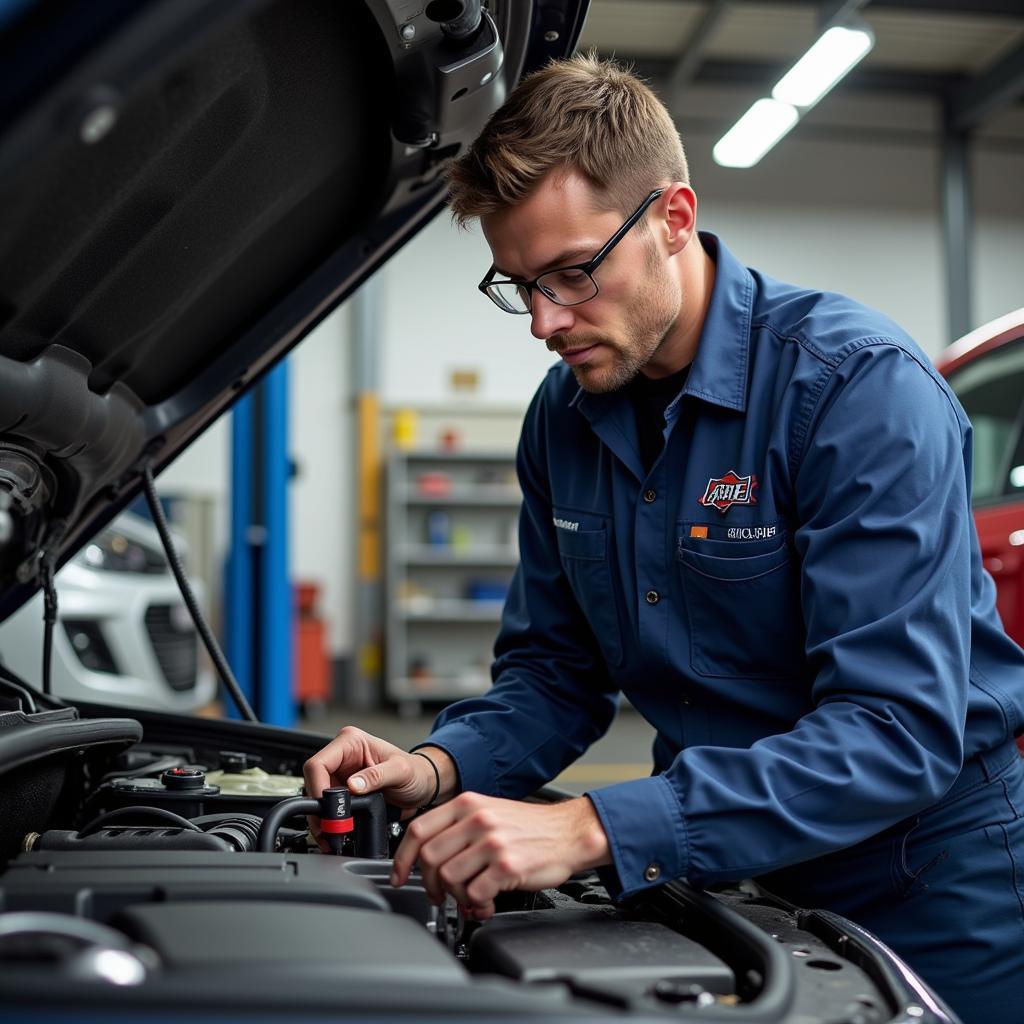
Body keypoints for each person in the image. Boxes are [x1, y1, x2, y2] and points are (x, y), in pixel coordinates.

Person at [305, 54, 1024, 1021]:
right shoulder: (562, 421)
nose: (545, 323)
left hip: (923, 884)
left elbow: (896, 731)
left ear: (673, 220)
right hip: (719, 874)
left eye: (572, 273)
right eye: (519, 286)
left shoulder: (856, 392)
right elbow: (556, 677)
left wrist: (593, 825)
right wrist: (436, 768)